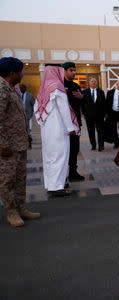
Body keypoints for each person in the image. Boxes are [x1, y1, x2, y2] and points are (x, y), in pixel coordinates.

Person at [0, 57, 40, 227]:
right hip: (7, 146)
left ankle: (21, 207)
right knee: (7, 180)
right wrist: (2, 145)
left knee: (20, 178)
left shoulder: (11, 88)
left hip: (19, 143)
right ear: (12, 73)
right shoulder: (1, 89)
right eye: (20, 71)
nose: (22, 74)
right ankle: (12, 213)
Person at [35, 64, 79, 197]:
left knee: (49, 156)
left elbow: (37, 107)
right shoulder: (57, 86)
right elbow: (63, 108)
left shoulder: (44, 87)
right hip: (58, 126)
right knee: (60, 155)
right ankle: (57, 186)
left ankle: (51, 183)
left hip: (47, 128)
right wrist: (71, 127)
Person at [62, 61, 85, 181]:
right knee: (63, 149)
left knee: (74, 148)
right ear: (64, 71)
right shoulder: (59, 84)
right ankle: (61, 175)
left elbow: (80, 105)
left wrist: (82, 98)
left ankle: (73, 172)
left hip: (75, 123)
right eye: (71, 70)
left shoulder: (76, 86)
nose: (73, 72)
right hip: (63, 124)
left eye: (74, 70)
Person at [82, 77, 106, 151]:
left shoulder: (101, 92)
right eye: (92, 81)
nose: (93, 82)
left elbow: (104, 104)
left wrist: (104, 113)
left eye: (95, 81)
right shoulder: (85, 92)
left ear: (97, 83)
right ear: (89, 83)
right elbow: (82, 104)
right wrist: (84, 113)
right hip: (89, 115)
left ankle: (101, 145)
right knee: (90, 131)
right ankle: (93, 145)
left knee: (100, 130)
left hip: (99, 115)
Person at [105, 80, 119, 148]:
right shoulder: (110, 92)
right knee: (113, 128)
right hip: (113, 112)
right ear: (117, 85)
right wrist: (106, 113)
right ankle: (116, 143)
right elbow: (107, 103)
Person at [19, 84, 35, 149]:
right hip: (20, 116)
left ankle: (29, 142)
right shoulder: (18, 95)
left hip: (28, 116)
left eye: (22, 88)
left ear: (25, 88)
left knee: (28, 130)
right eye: (20, 88)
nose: (21, 89)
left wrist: (32, 113)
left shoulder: (30, 95)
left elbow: (34, 104)